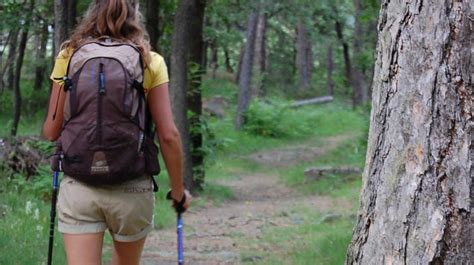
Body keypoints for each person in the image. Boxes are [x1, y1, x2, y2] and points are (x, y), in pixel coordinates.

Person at [42, 0, 191, 264]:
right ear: (135, 14)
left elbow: (52, 131)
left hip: (80, 183)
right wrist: (178, 192)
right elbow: (169, 135)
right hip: (131, 186)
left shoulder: (69, 55)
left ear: (93, 11)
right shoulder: (150, 60)